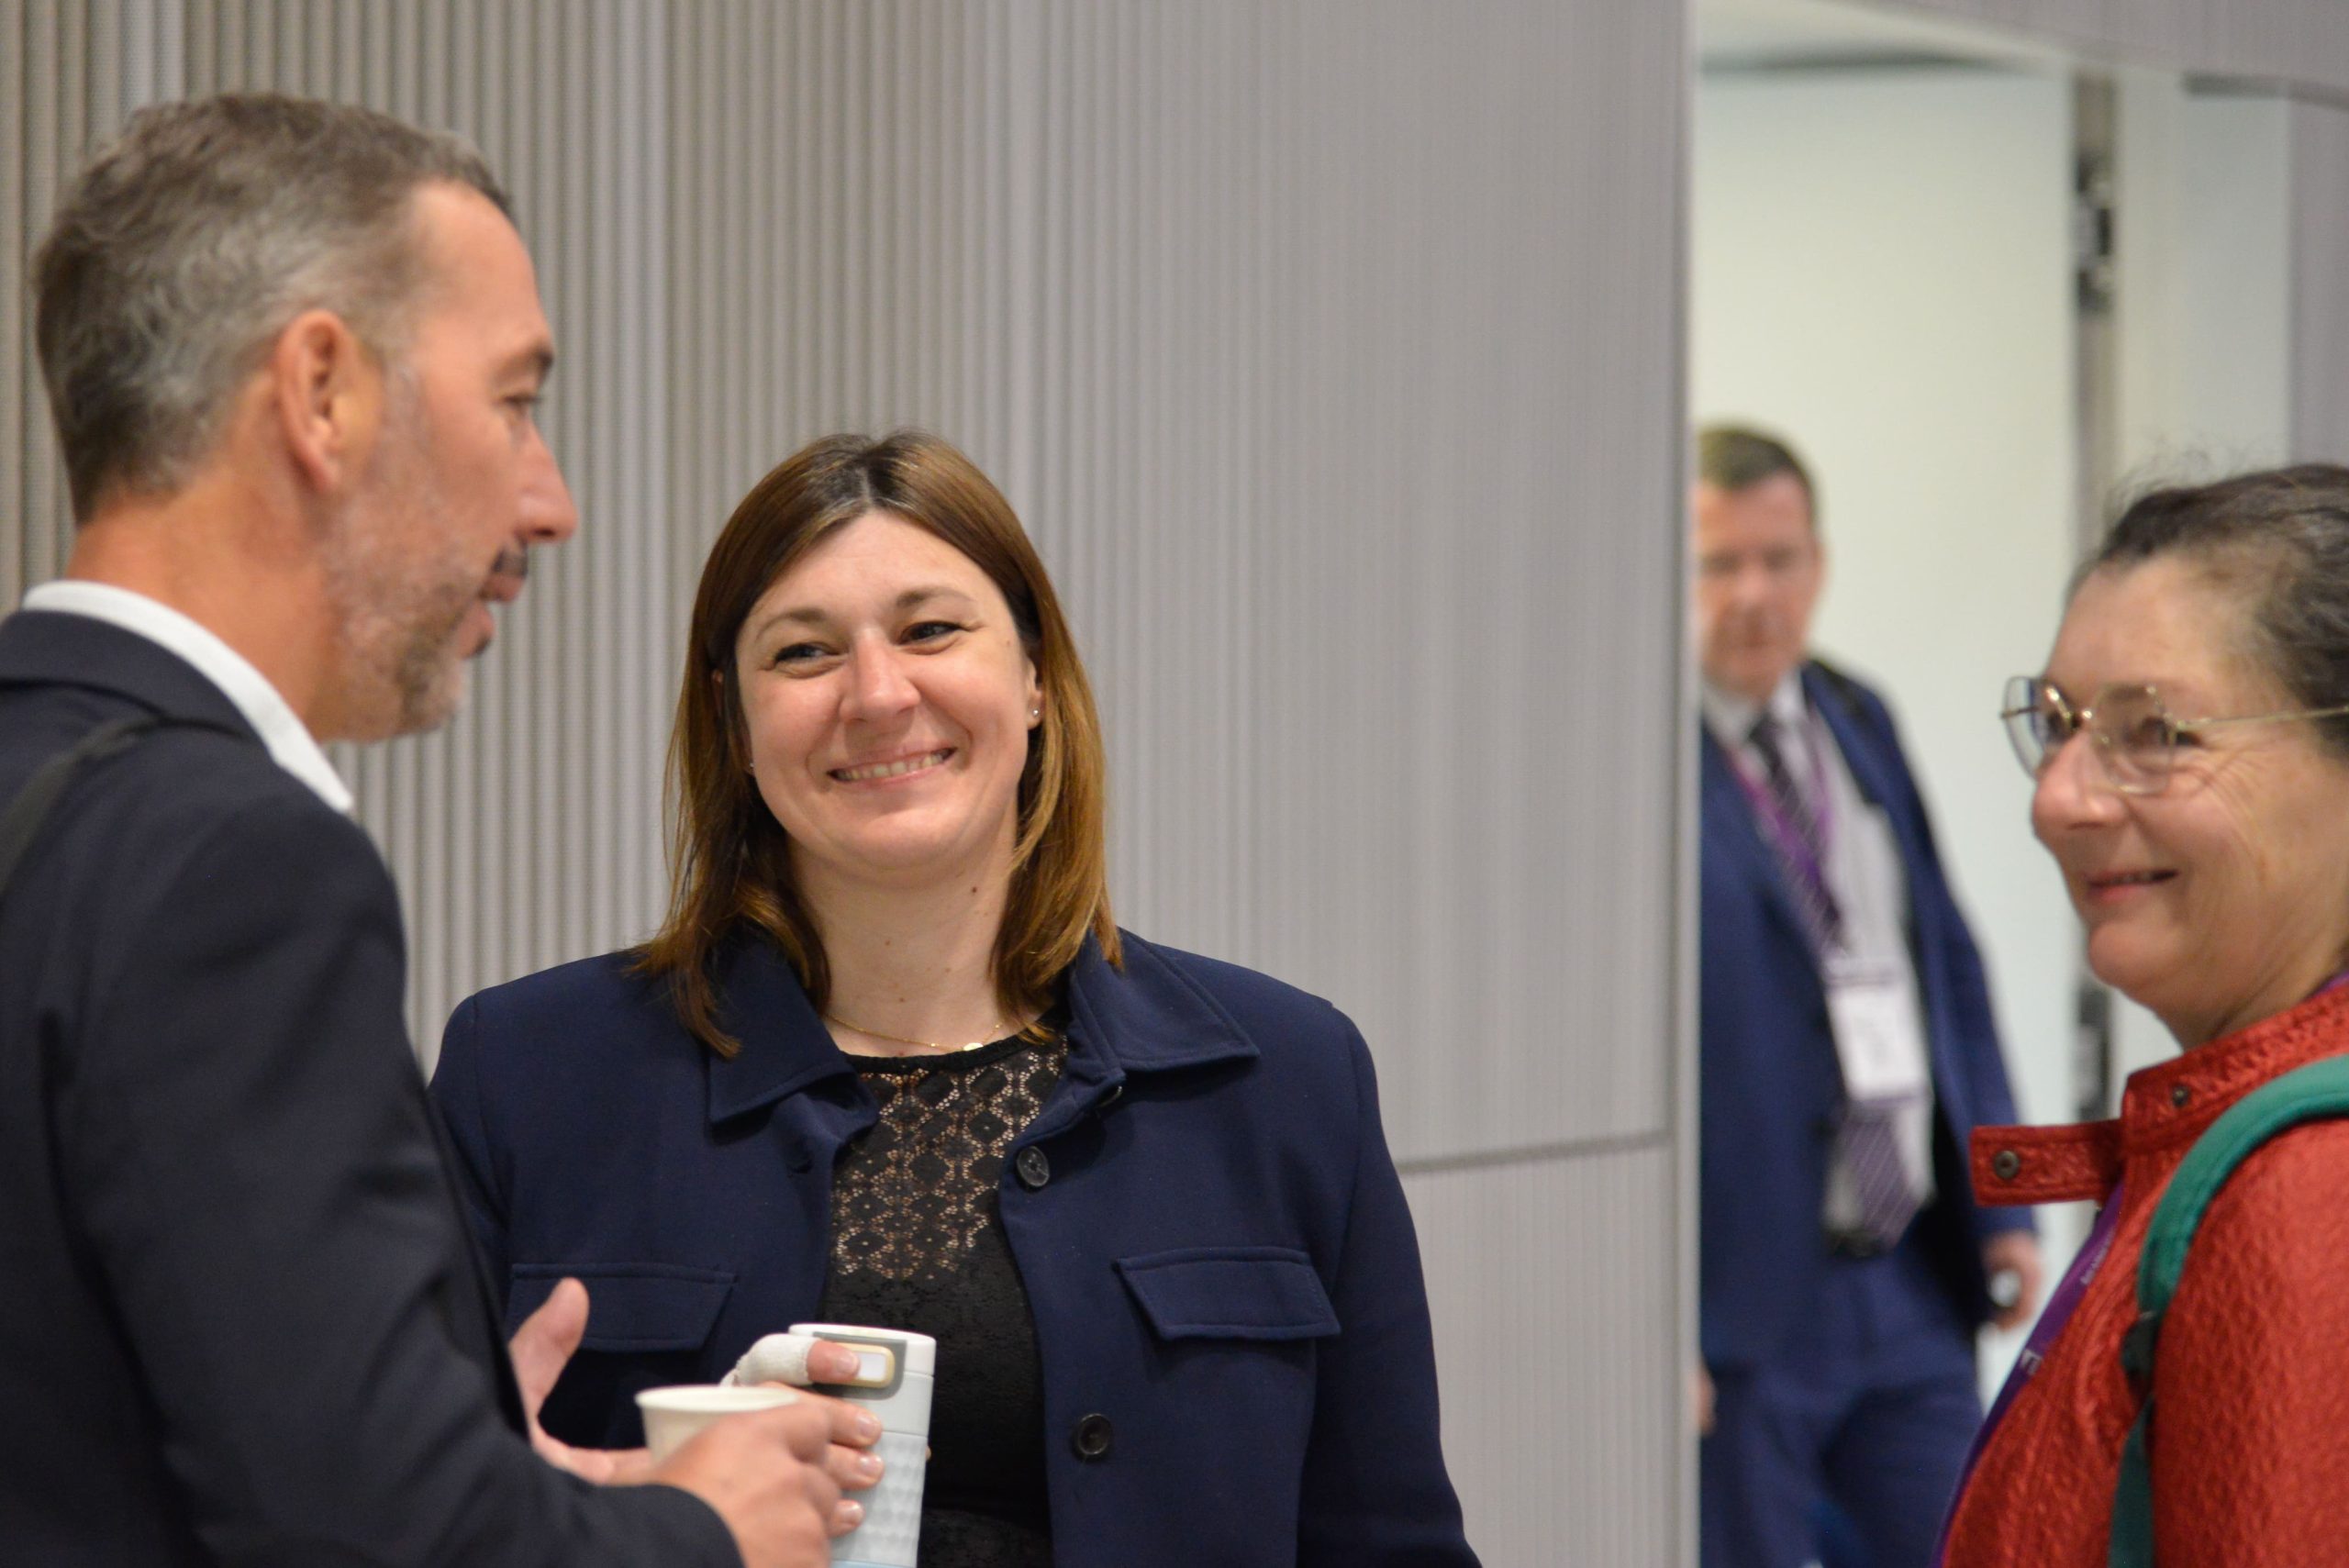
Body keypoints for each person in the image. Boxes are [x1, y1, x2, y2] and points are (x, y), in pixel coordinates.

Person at [0, 94, 877, 1567]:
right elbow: (375, 1539)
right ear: (322, 392)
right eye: (515, 400)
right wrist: (700, 1530)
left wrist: (483, 1468)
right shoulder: (234, 865)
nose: (553, 501)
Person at [428, 430, 1481, 1568]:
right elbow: (389, 1523)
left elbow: (1392, 1547)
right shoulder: (527, 1076)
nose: (878, 693)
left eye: (930, 629)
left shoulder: (1285, 1078)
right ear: (734, 723)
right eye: (803, 651)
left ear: (1034, 678)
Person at [1939, 465, 2349, 1565]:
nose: (2056, 799)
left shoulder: (2308, 1187)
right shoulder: (2240, 1141)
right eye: (2057, 723)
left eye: (2157, 731)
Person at [1691, 424, 2042, 1568]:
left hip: (1905, 1268)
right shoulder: (1643, 757)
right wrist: (1656, 1317)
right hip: (1742, 1297)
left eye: (1779, 558)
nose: (1755, 593)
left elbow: (1945, 956)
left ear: (1819, 563)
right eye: (1718, 563)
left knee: (1959, 1541)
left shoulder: (1855, 714)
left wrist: (2002, 1198)